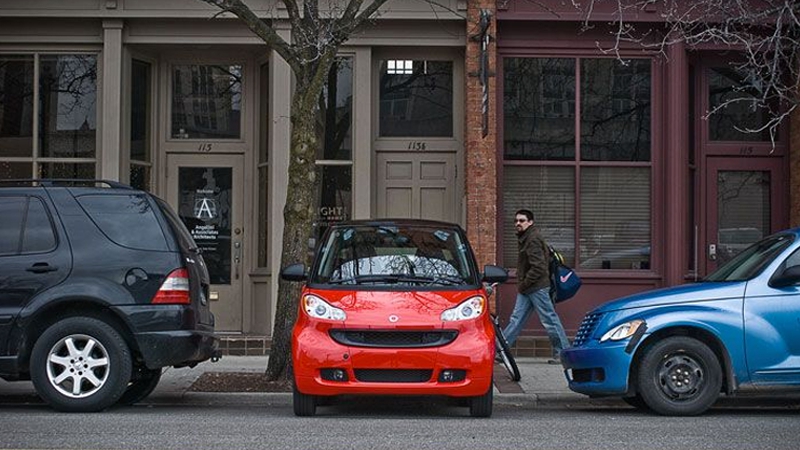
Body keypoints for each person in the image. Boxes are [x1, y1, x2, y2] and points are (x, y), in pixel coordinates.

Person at [502, 209, 570, 364]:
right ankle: (501, 351)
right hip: (528, 287)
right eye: (516, 221)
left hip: (537, 287)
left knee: (549, 320)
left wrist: (525, 283)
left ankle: (562, 353)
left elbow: (539, 267)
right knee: (516, 319)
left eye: (522, 220)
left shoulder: (532, 239)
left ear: (530, 222)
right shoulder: (526, 237)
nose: (518, 223)